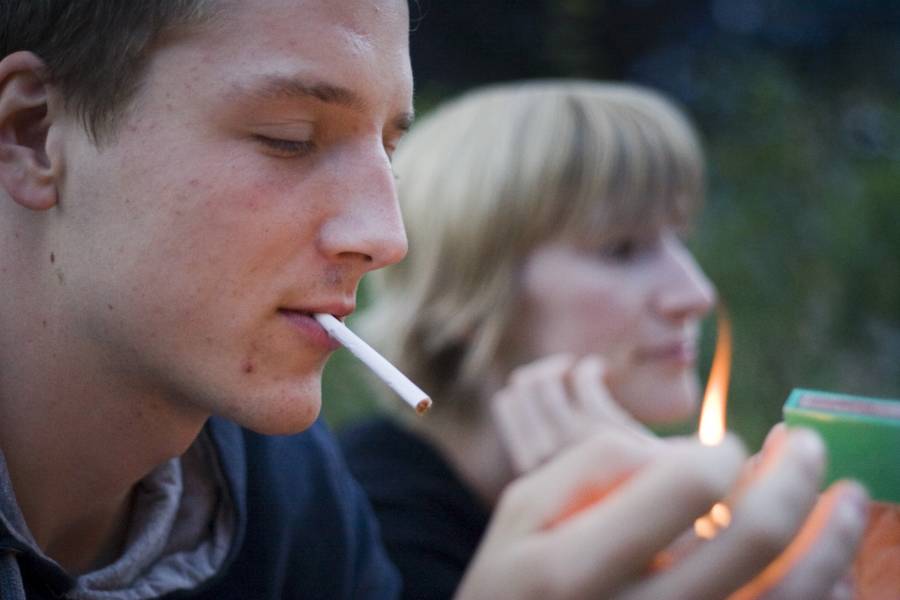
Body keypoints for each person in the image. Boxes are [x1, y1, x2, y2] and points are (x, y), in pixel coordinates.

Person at [0, 2, 865, 599]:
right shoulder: (374, 505)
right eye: (289, 139)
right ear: (34, 134)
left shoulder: (296, 503)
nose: (387, 235)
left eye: (387, 148)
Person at [340, 80, 871, 599]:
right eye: (622, 249)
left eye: (678, 239)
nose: (697, 294)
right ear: (468, 295)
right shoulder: (359, 529)